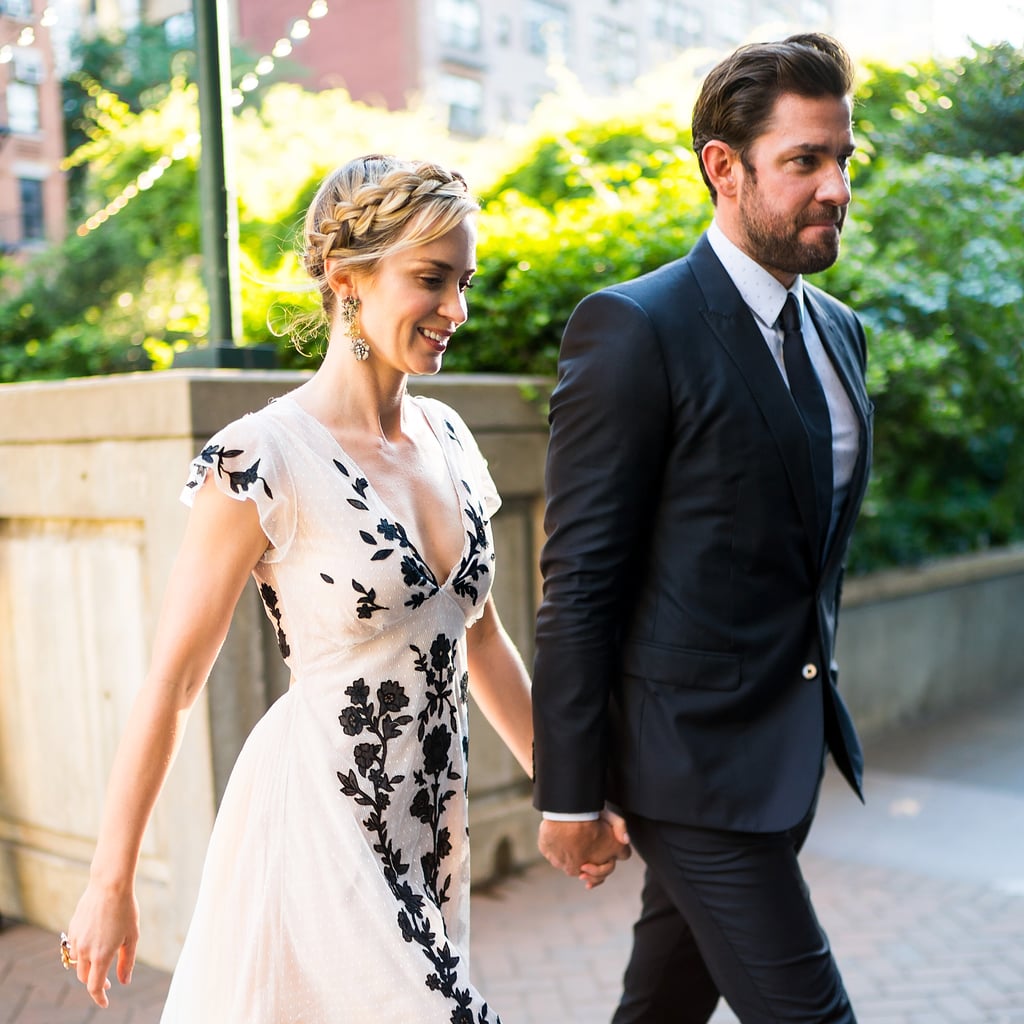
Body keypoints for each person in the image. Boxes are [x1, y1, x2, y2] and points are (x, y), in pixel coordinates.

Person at [62, 155, 554, 1022]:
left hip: (429, 834)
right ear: (346, 281)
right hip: (318, 823)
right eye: (431, 280)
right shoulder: (262, 458)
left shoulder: (449, 436)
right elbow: (172, 684)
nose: (458, 311)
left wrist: (570, 789)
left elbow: (480, 638)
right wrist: (110, 883)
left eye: (464, 282)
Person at [531, 33, 872, 1024]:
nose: (835, 187)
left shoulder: (841, 332)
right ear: (723, 167)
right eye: (803, 160)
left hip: (781, 749)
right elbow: (583, 578)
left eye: (842, 158)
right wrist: (568, 789)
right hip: (686, 767)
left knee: (662, 1008)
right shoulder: (635, 328)